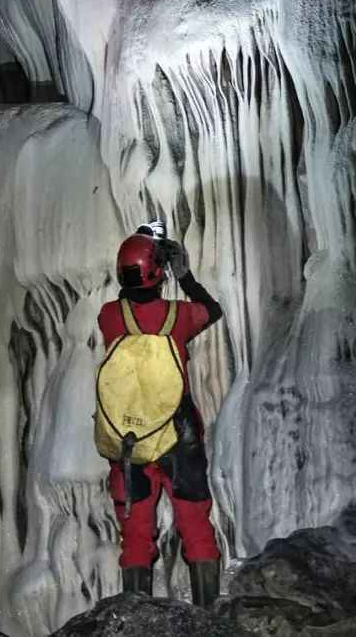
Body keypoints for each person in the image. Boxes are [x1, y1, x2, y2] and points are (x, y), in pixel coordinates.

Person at [96, 224, 223, 606]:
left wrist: (140, 249)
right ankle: (208, 621)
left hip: (128, 443)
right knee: (195, 524)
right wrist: (183, 274)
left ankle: (136, 618)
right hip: (178, 438)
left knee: (135, 534)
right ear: (159, 273)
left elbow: (125, 302)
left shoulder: (109, 317)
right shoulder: (179, 315)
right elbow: (212, 310)